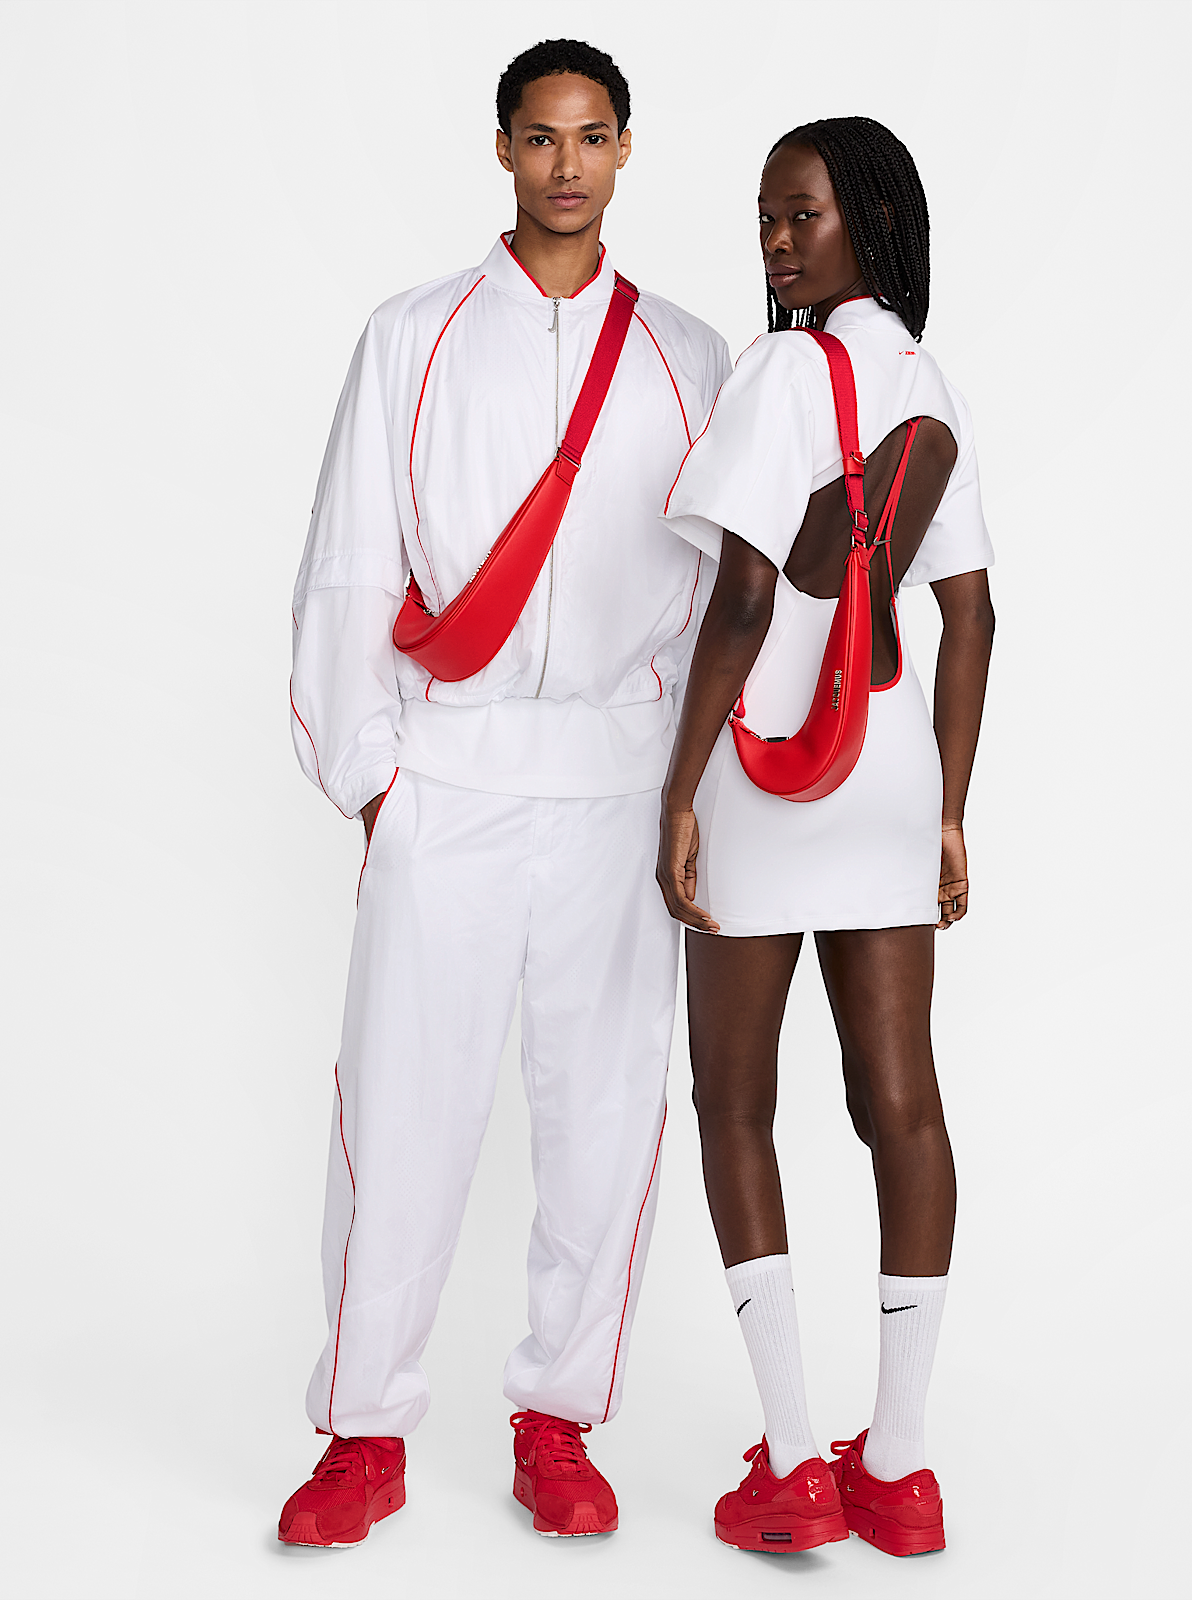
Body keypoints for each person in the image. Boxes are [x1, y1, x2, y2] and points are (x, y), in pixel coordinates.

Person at [279, 38, 730, 1547]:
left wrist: (687, 790)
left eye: (592, 136)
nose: (566, 165)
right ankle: (363, 1429)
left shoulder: (689, 355)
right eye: (541, 136)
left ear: (625, 149)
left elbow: (719, 598)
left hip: (616, 784)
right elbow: (351, 556)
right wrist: (375, 778)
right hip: (450, 770)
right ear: (501, 148)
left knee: (604, 1106)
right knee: (402, 1101)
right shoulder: (411, 336)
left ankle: (559, 1418)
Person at [658, 116, 995, 1557]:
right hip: (890, 768)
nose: (778, 241)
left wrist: (678, 791)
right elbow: (971, 615)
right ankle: (900, 1470)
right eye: (766, 218)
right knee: (901, 1103)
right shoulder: (929, 383)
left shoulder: (783, 371)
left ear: (869, 217)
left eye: (803, 213)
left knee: (736, 1105)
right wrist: (949, 805)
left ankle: (795, 1461)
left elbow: (744, 598)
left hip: (769, 766)